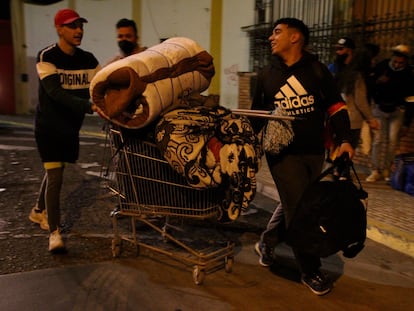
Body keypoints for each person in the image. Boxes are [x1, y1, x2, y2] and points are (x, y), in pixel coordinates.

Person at [251, 18, 354, 296]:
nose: (271, 37)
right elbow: (257, 117)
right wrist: (247, 146)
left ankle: (268, 241)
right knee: (300, 208)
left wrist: (345, 139)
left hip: (313, 150)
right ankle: (310, 270)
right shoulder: (265, 76)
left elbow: (336, 107)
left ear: (295, 37)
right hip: (281, 154)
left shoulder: (318, 72)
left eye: (277, 32)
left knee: (296, 202)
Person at [28, 8, 100, 252]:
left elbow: (103, 82)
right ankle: (54, 234)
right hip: (48, 127)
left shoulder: (88, 60)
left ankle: (38, 211)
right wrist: (90, 106)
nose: (78, 30)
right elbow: (55, 93)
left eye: (81, 25)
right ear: (59, 29)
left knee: (55, 172)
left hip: (70, 128)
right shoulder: (46, 56)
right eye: (72, 26)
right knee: (56, 176)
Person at [366, 44, 414, 182]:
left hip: (397, 111)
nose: (398, 64)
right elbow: (369, 86)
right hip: (380, 108)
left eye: (401, 62)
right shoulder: (382, 67)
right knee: (378, 140)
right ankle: (375, 170)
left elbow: (411, 98)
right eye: (396, 61)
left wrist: (407, 122)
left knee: (392, 142)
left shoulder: (409, 73)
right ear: (392, 58)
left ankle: (387, 169)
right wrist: (378, 82)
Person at [336, 47, 380, 149]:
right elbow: (360, 100)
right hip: (352, 121)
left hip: (341, 117)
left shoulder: (345, 73)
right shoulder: (358, 76)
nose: (373, 62)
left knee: (337, 152)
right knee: (347, 153)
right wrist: (371, 119)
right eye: (372, 59)